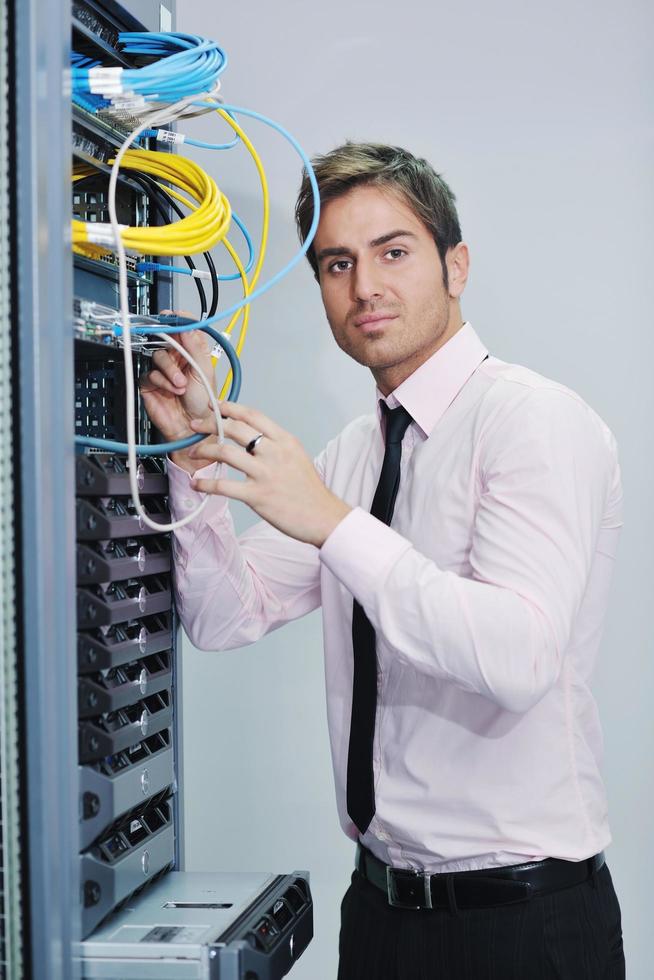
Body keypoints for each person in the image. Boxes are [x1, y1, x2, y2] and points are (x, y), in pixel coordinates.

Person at [140, 143, 626, 979]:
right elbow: (224, 617)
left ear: (456, 265)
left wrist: (332, 524)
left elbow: (517, 658)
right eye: (337, 263)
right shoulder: (355, 454)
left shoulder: (532, 423)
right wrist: (191, 462)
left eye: (393, 252)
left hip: (521, 927)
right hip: (379, 916)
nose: (365, 287)